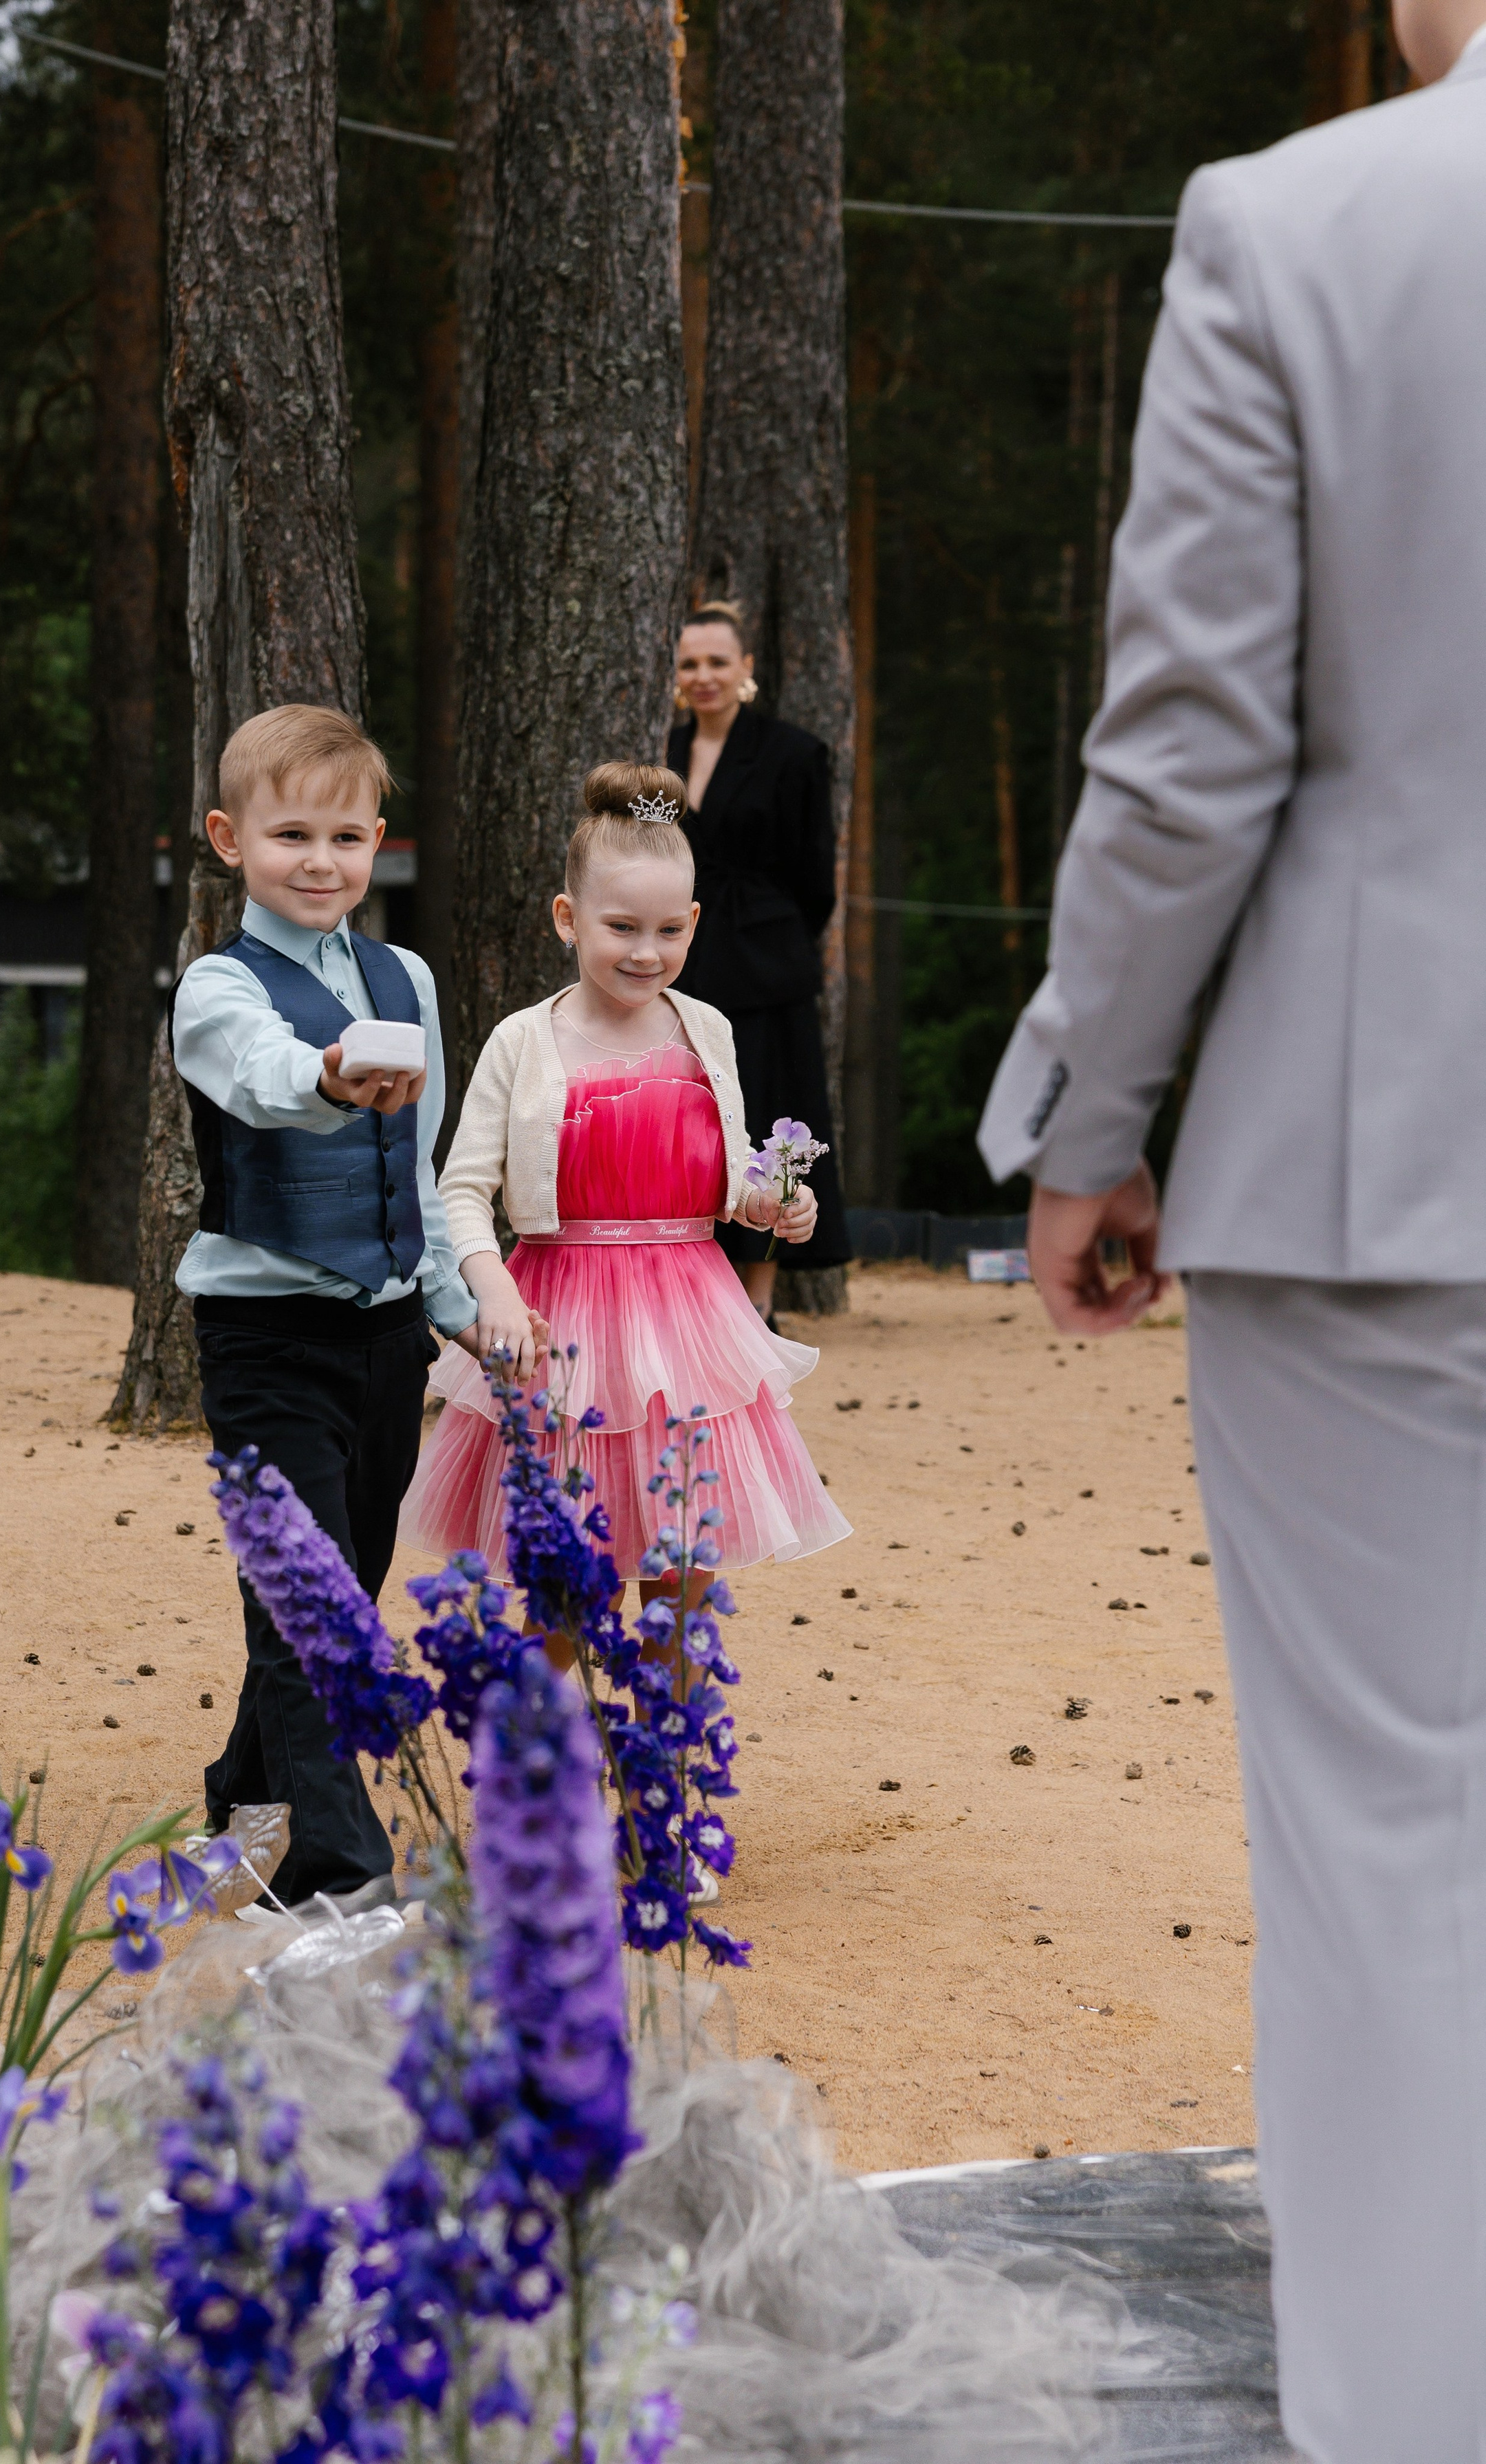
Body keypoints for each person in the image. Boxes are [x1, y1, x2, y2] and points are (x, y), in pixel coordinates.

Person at [977, 10, 1486, 2458]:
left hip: (1390, 1162)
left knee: (1397, 1855)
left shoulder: (1292, 228)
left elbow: (1191, 739)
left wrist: (1088, 1111)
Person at [172, 703, 507, 1916]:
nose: (321, 860)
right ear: (229, 838)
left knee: (339, 1588)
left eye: (347, 835)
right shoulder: (217, 987)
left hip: (381, 1337)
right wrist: (323, 1073)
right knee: (306, 1605)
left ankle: (245, 1790)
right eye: (290, 833)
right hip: (263, 1339)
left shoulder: (403, 976)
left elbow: (409, 1166)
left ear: (379, 842)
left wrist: (459, 1304)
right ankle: (339, 1877)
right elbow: (259, 1075)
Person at [402, 760, 849, 1590]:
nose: (648, 952)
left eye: (670, 930)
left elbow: (730, 1173)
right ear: (567, 919)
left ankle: (668, 1723)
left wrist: (773, 1203)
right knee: (566, 1579)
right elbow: (460, 1187)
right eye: (622, 927)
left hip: (689, 1319)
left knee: (679, 1571)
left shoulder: (707, 1030)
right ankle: (550, 1723)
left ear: (694, 921)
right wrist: (488, 1288)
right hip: (560, 1315)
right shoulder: (522, 1040)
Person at [666, 602, 852, 1321]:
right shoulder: (665, 753)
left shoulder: (793, 752)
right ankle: (696, 1290)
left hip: (766, 967)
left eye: (718, 661)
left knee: (773, 1118)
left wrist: (772, 942)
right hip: (687, 956)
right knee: (697, 1116)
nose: (703, 676)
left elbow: (815, 883)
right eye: (690, 664)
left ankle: (760, 1301)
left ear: (746, 669)